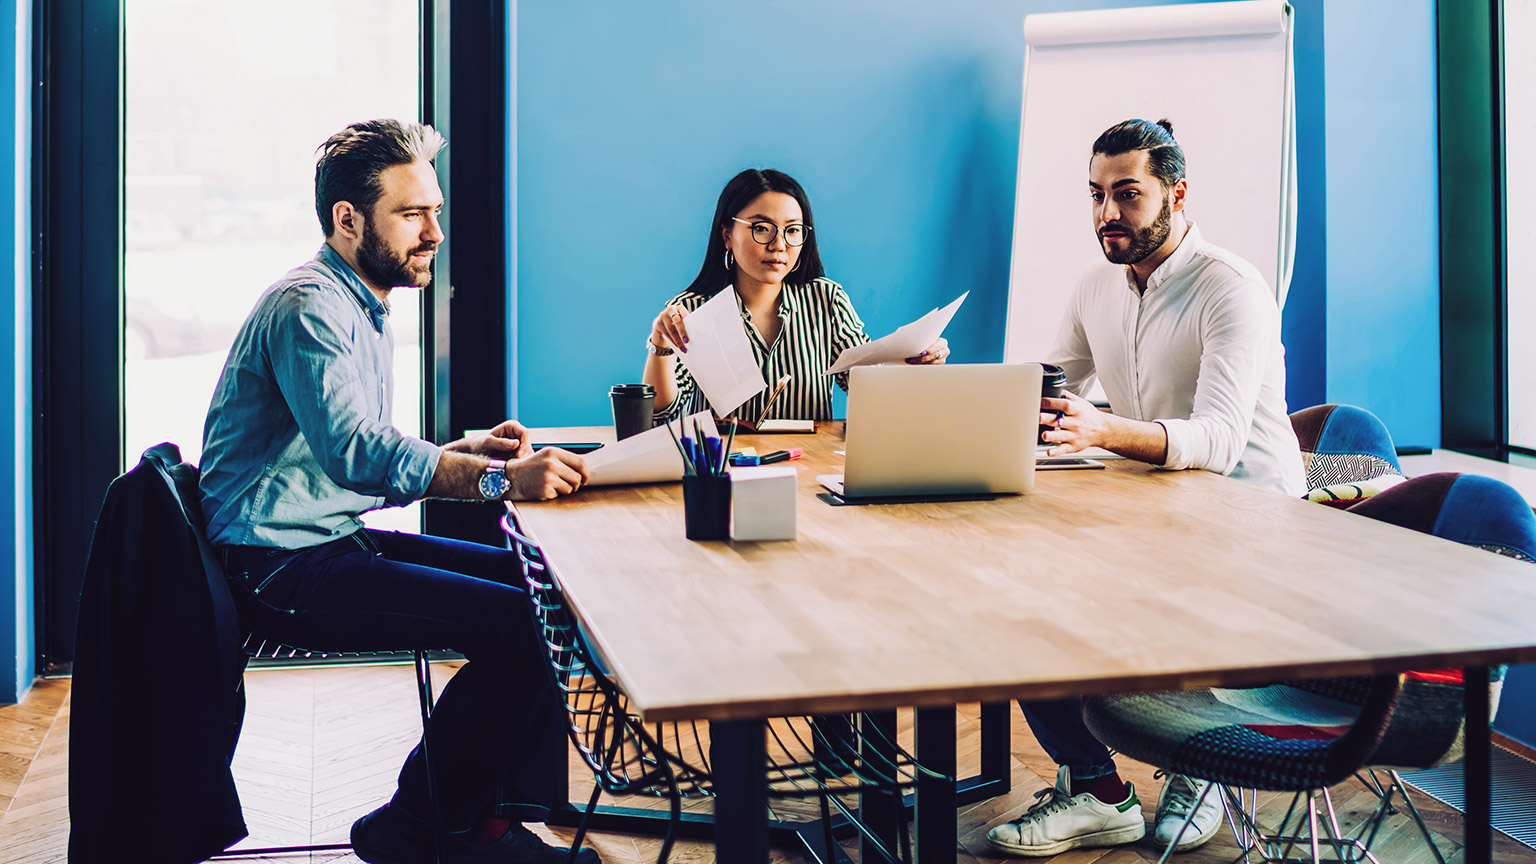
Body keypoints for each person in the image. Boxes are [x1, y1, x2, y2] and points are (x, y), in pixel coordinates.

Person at [199, 119, 600, 864]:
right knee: (522, 626)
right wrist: (498, 479)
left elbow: (340, 462)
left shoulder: (358, 302)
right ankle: (428, 829)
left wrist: (461, 452)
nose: (434, 232)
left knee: (547, 593)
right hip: (282, 569)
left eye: (435, 211)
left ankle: (480, 818)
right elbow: (357, 456)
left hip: (320, 541)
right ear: (347, 220)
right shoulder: (310, 308)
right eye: (412, 214)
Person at [987, 119, 1304, 858]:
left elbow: (1219, 441)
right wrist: (953, 393)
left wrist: (1102, 429)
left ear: (1177, 193)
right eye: (1096, 195)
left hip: (1252, 530)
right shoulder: (1097, 284)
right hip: (1154, 512)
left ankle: (1203, 762)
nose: (1108, 214)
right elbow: (1047, 388)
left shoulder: (1232, 287)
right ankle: (1098, 791)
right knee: (1014, 607)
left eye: (1127, 195)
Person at [642, 168, 949, 425]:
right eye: (762, 228)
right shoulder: (692, 311)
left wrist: (915, 363)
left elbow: (867, 388)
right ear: (727, 236)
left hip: (809, 475)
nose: (779, 244)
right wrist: (660, 346)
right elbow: (658, 417)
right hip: (724, 475)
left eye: (792, 230)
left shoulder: (826, 301)